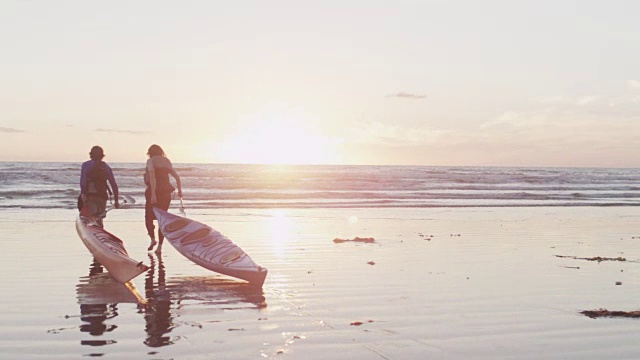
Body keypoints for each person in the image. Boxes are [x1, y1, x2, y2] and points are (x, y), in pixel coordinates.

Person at [145, 144, 182, 253]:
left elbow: (152, 174)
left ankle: (152, 239)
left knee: (148, 217)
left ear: (150, 152)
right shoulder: (166, 161)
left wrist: (153, 194)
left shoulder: (150, 161)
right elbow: (176, 176)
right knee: (162, 219)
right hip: (166, 193)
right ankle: (160, 247)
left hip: (154, 192)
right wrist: (180, 190)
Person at [79, 146, 119, 228]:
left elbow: (83, 181)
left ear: (91, 154)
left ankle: (93, 234)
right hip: (102, 196)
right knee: (99, 218)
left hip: (90, 196)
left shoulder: (86, 165)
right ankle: (100, 232)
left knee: (92, 217)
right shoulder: (106, 167)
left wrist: (83, 193)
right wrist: (116, 200)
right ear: (102, 155)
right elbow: (113, 184)